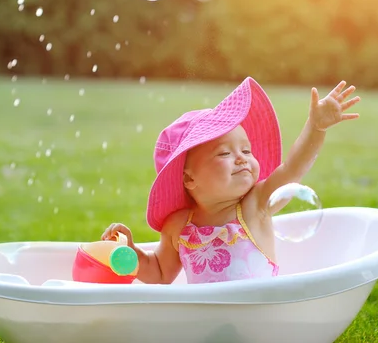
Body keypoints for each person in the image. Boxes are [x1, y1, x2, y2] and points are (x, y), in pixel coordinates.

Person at [101, 77, 360, 284]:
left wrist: (316, 127)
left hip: (259, 320)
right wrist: (131, 253)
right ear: (189, 179)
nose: (241, 159)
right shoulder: (178, 226)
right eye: (225, 153)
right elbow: (159, 273)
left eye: (247, 151)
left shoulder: (254, 205)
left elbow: (293, 168)